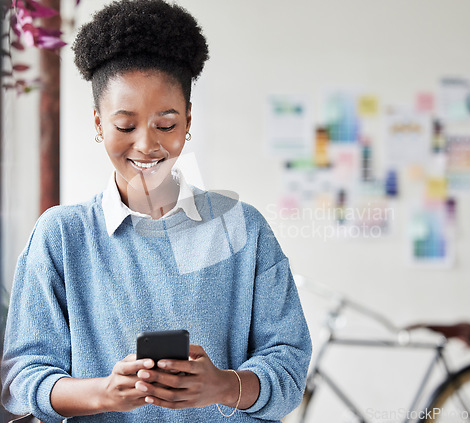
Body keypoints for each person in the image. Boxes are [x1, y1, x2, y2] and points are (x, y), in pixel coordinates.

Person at [1, 1, 312, 422]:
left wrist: (220, 385)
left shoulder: (242, 227)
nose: (147, 145)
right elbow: (21, 378)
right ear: (98, 123)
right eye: (125, 126)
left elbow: (289, 365)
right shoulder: (61, 236)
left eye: (165, 124)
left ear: (187, 121)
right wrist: (105, 393)